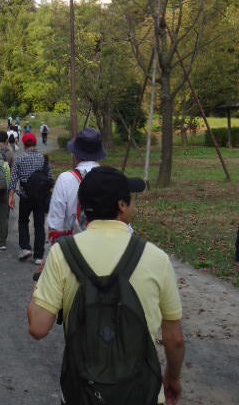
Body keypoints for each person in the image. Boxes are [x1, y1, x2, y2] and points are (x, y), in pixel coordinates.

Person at [28, 166, 185, 405]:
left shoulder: (62, 254)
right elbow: (175, 339)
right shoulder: (156, 258)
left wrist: (39, 280)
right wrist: (172, 377)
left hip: (81, 394)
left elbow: (38, 327)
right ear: (121, 205)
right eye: (132, 200)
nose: (134, 205)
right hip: (141, 393)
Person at [47, 128, 106, 244]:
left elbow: (55, 224)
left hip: (74, 247)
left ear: (75, 154)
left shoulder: (65, 179)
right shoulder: (111, 179)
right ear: (99, 154)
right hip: (105, 246)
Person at [8, 132, 53, 264]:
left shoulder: (19, 159)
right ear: (35, 143)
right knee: (39, 224)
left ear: (24, 144)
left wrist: (11, 196)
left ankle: (25, 248)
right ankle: (38, 256)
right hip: (40, 197)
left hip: (25, 195)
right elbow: (50, 177)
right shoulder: (43, 158)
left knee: (23, 221)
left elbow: (13, 179)